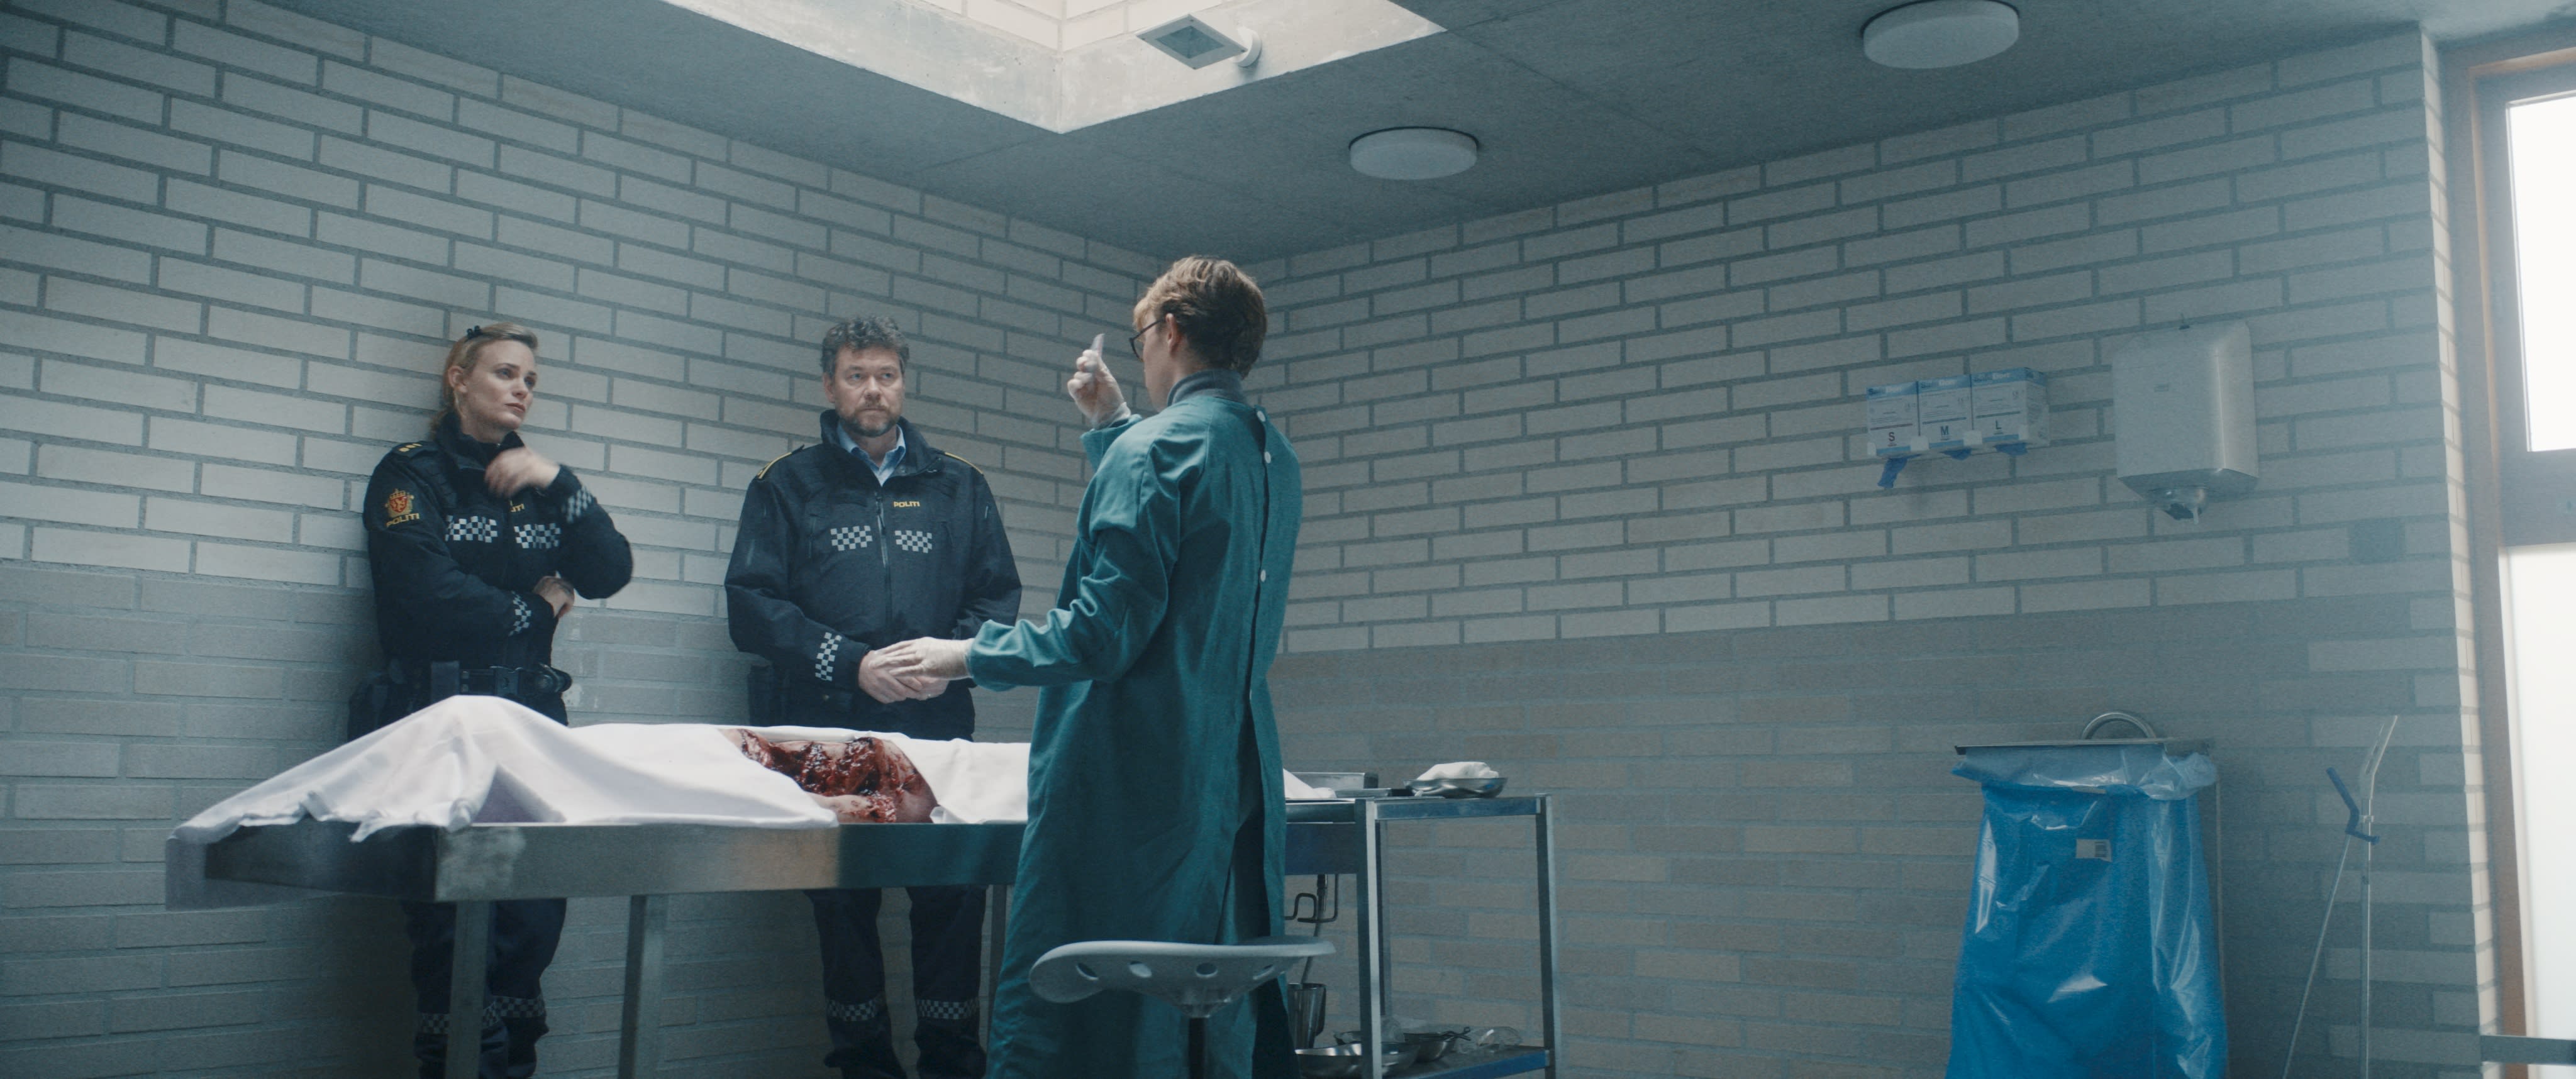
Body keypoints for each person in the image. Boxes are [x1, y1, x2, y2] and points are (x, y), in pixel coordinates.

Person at [877, 257, 1303, 1079]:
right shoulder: (1270, 457)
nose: (1141, 359)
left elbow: (1103, 635)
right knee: (1196, 1009)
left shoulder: (1155, 450)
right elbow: (1187, 544)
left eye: (1142, 340)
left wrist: (962, 655)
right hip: (1227, 777)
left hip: (1131, 784)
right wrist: (1114, 424)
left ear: (1170, 331)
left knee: (1091, 1010)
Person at [724, 316, 1023, 1079]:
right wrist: (851, 664)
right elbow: (751, 607)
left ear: (903, 384)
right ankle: (863, 1067)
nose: (873, 390)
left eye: (886, 375)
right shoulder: (786, 483)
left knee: (952, 896)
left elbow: (997, 599)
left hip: (937, 726)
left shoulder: (959, 484)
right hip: (829, 729)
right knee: (842, 904)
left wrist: (951, 662)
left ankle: (953, 1065)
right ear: (830, 386)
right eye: (856, 376)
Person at [356, 321, 634, 1079]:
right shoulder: (413, 474)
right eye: (506, 373)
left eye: (531, 380)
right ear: (459, 379)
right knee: (451, 929)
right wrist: (536, 610)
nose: (521, 389)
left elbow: (609, 571)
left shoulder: (537, 484)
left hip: (529, 727)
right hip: (437, 719)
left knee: (534, 916)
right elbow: (425, 595)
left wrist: (560, 481)